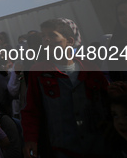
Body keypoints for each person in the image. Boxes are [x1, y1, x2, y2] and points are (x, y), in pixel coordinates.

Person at [21, 18, 111, 158]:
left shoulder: (89, 67)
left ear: (69, 41)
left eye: (52, 35)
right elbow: (32, 109)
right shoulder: (38, 71)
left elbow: (107, 99)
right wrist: (31, 138)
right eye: (43, 37)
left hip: (96, 144)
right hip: (62, 148)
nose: (46, 40)